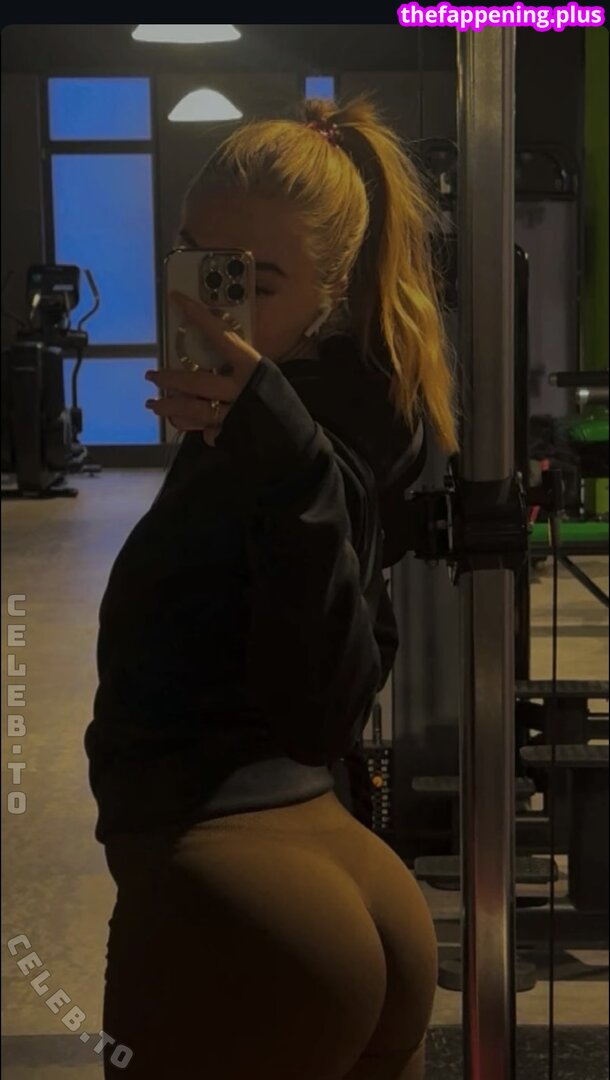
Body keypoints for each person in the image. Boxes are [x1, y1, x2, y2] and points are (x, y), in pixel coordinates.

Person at [85, 95, 459, 1080]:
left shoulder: (301, 442)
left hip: (236, 908)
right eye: (196, 262)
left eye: (254, 282)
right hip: (337, 881)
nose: (213, 309)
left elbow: (320, 707)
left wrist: (280, 446)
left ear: (331, 292)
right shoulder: (319, 419)